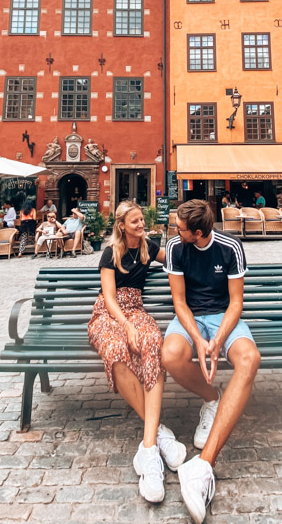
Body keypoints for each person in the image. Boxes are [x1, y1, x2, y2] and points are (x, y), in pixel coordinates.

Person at [162, 200, 260, 524]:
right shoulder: (176, 247)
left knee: (250, 359)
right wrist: (200, 340)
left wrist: (217, 340)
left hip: (223, 317)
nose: (175, 231)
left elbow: (236, 302)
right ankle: (212, 399)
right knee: (171, 355)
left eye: (180, 227)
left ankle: (202, 466)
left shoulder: (231, 248)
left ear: (199, 233)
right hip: (190, 317)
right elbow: (178, 301)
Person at [87, 201, 186, 504]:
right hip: (109, 312)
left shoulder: (147, 247)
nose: (141, 225)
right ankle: (159, 431)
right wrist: (126, 325)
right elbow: (108, 296)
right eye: (135, 222)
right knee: (115, 349)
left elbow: (172, 257)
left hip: (137, 310)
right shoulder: (110, 253)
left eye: (142, 220)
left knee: (153, 344)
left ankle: (148, 446)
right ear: (121, 225)